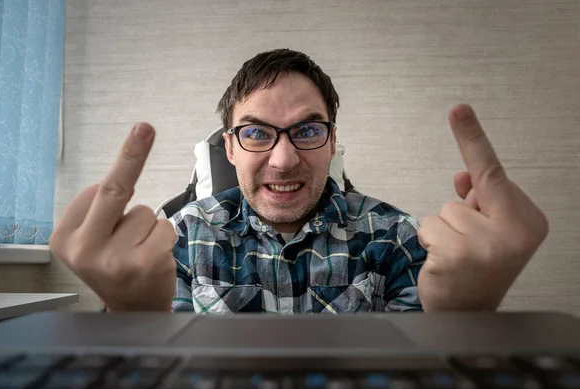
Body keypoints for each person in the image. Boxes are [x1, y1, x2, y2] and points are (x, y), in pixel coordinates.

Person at [50, 49, 549, 314]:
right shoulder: (174, 239)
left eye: (308, 130)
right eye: (256, 133)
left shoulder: (397, 239)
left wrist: (466, 320)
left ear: (332, 142)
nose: (284, 159)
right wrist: (134, 325)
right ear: (228, 147)